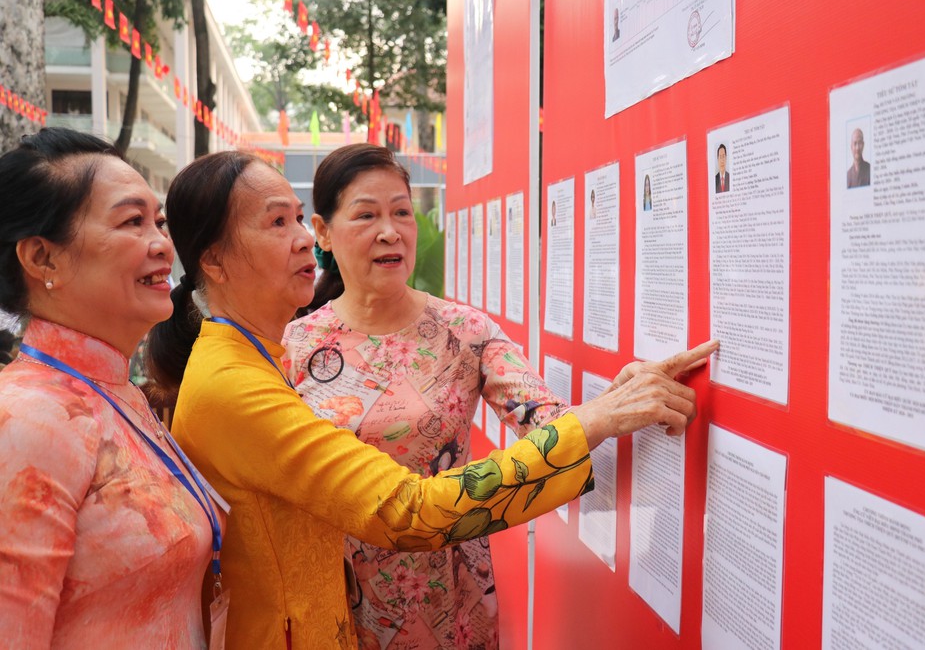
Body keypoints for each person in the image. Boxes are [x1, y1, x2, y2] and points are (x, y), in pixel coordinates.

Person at [147, 149, 717, 649]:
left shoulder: (461, 330)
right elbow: (403, 507)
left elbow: (551, 424)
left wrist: (617, 399)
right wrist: (599, 418)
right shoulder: (287, 348)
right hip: (343, 601)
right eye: (366, 214)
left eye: (401, 211)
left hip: (449, 596)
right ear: (329, 231)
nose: (390, 231)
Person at [0, 128, 224, 648]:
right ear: (42, 258)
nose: (163, 246)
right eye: (132, 221)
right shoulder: (27, 420)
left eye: (159, 222)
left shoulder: (115, 392)